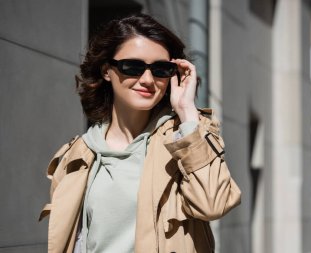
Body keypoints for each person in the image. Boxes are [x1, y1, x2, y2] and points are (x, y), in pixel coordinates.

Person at [39, 13, 241, 253]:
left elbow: (212, 205)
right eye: (132, 67)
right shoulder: (78, 156)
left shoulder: (185, 138)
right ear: (106, 71)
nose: (147, 79)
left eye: (160, 69)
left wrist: (187, 111)